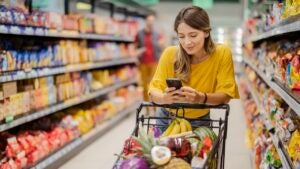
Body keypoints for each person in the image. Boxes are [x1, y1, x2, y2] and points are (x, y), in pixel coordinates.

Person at [148, 6, 239, 130]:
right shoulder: (170, 54)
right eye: (181, 36)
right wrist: (164, 98)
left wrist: (201, 97)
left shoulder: (221, 53)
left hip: (199, 122)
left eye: (193, 35)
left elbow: (226, 95)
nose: (187, 42)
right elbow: (154, 90)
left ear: (206, 32)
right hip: (166, 120)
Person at [135, 13, 165, 103]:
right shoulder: (139, 34)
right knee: (144, 85)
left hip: (154, 63)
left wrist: (161, 45)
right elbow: (135, 48)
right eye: (149, 20)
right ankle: (146, 105)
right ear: (146, 21)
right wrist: (138, 52)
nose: (151, 22)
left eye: (152, 20)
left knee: (154, 85)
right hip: (143, 63)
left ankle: (154, 104)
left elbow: (162, 47)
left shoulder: (157, 34)